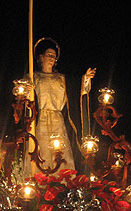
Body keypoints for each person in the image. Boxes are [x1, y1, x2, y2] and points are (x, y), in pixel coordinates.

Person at [24, 39, 96, 178]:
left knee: (61, 153)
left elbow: (76, 92)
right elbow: (27, 100)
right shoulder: (34, 77)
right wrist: (28, 90)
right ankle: (38, 183)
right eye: (49, 55)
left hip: (58, 121)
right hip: (40, 120)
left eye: (54, 56)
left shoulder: (61, 78)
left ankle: (63, 185)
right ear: (41, 57)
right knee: (40, 150)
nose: (51, 58)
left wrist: (85, 79)